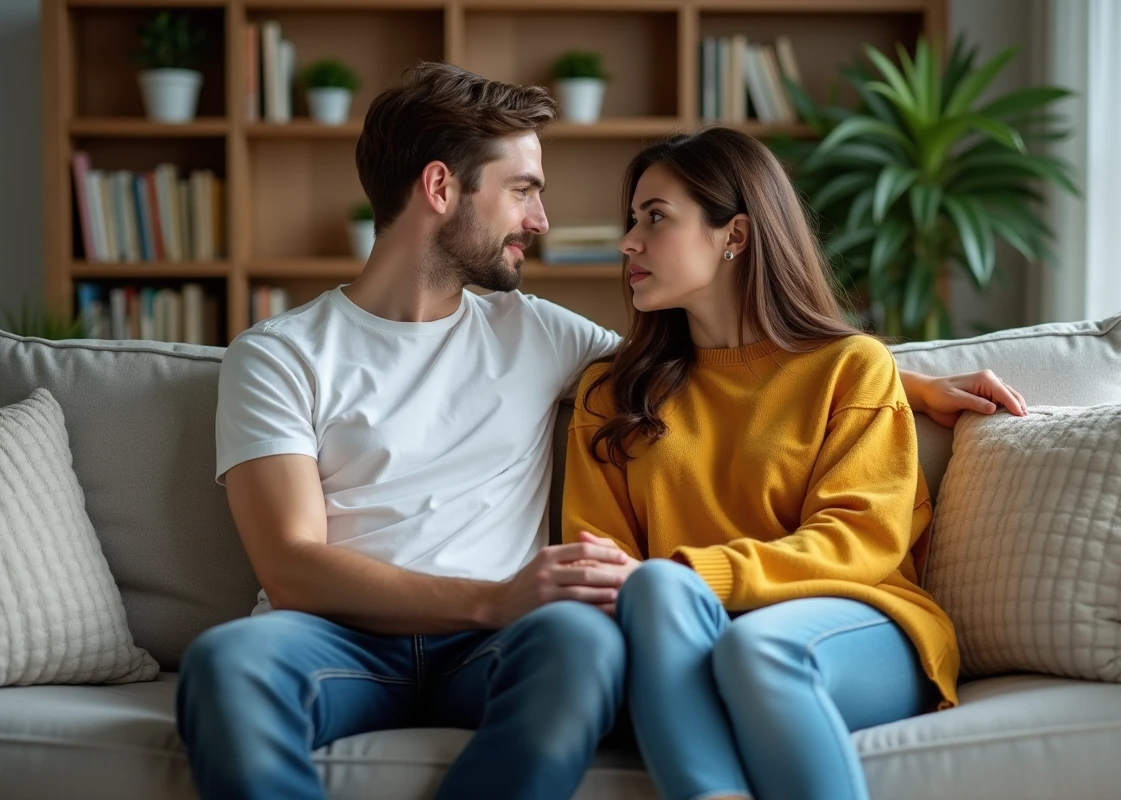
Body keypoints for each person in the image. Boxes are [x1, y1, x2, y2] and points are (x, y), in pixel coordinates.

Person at [176, 62, 1023, 800]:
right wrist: (488, 597)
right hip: (345, 640)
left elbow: (733, 369)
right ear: (440, 189)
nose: (544, 220)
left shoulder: (537, 332)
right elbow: (290, 565)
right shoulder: (280, 355)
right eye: (524, 190)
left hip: (502, 646)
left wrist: (904, 382)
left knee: (582, 644)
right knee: (224, 664)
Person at [562, 126, 1027, 800]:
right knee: (660, 592)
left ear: (736, 236)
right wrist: (674, 589)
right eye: (631, 220)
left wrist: (697, 575)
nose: (628, 242)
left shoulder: (851, 367)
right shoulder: (613, 392)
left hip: (853, 619)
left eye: (655, 218)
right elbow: (601, 563)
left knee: (750, 646)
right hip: (683, 636)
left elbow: (858, 542)